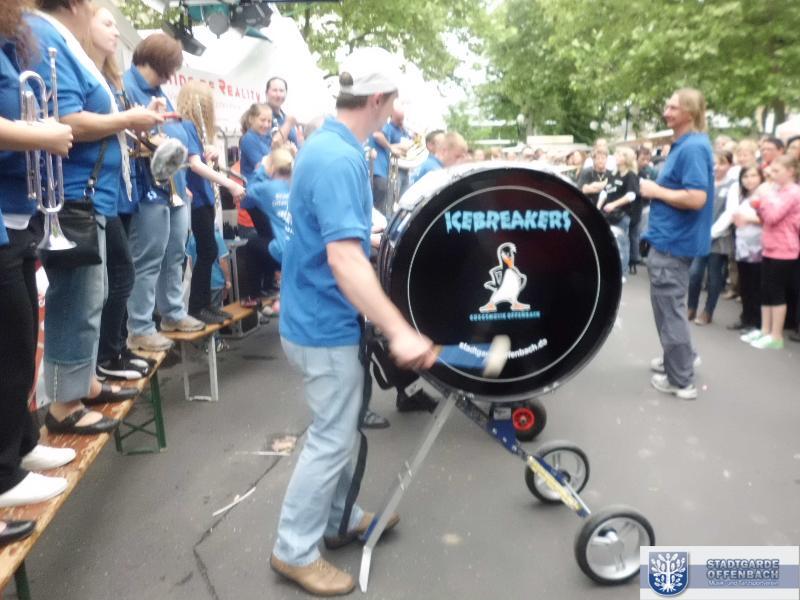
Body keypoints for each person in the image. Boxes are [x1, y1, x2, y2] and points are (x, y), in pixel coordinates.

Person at [270, 48, 437, 597]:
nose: (394, 111)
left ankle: (340, 517)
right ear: (377, 99)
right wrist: (400, 330)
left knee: (337, 431)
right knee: (331, 439)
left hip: (312, 316)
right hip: (321, 324)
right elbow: (343, 261)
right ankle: (293, 550)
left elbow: (335, 241)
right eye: (393, 101)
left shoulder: (328, 145)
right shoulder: (340, 158)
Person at [28, 0, 162, 434]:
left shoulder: (59, 38)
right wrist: (127, 118)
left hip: (89, 193)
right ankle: (64, 404)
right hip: (75, 193)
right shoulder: (49, 36)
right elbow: (68, 119)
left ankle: (81, 382)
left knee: (92, 294)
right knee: (78, 298)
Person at [0, 0, 76, 521]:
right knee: (11, 341)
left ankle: (21, 445)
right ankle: (3, 472)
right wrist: (40, 134)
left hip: (16, 212)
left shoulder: (9, 46)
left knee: (22, 339)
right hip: (6, 210)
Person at [84, 5, 150, 381]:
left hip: (111, 192)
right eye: (106, 23)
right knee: (111, 278)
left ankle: (113, 351)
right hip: (91, 193)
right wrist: (128, 119)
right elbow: (75, 124)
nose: (115, 31)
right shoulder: (88, 74)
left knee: (118, 275)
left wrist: (138, 123)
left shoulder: (111, 79)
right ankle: (105, 357)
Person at [640, 88, 714, 401]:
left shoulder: (692, 147)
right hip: (672, 240)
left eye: (672, 107)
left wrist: (655, 191)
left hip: (673, 244)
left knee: (669, 311)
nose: (666, 112)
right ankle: (681, 358)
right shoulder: (688, 144)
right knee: (671, 309)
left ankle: (681, 380)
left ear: (690, 112)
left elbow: (696, 198)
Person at [177, 80, 245, 324]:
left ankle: (204, 305)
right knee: (207, 251)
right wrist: (230, 184)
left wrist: (211, 155)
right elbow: (195, 165)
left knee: (209, 251)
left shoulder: (190, 130)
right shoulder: (186, 126)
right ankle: (198, 306)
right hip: (197, 200)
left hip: (202, 198)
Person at [742, 156, 800, 350]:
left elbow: (773, 217)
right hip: (770, 246)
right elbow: (765, 216)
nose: (772, 175)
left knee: (776, 292)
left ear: (790, 171)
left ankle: (776, 335)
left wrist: (762, 202)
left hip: (785, 248)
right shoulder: (777, 191)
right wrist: (760, 206)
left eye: (776, 171)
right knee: (766, 290)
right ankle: (765, 330)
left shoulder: (794, 193)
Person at [687, 150, 736, 325]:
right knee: (694, 274)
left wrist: (712, 233)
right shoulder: (706, 182)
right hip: (701, 235)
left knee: (714, 277)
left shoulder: (733, 185)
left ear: (729, 165)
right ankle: (691, 307)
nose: (716, 167)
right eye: (714, 163)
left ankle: (708, 312)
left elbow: (729, 213)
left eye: (721, 163)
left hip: (719, 238)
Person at [240, 148, 293, 308]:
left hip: (283, 251)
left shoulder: (267, 188)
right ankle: (270, 285)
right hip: (300, 249)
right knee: (266, 239)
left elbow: (246, 195)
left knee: (251, 246)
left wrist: (261, 170)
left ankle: (252, 296)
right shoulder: (296, 186)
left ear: (273, 167)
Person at [729, 166, 765, 332]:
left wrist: (748, 218)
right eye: (745, 176)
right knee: (745, 284)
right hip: (742, 245)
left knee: (755, 284)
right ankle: (746, 318)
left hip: (758, 247)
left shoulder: (765, 195)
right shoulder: (742, 196)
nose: (749, 180)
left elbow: (767, 218)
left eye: (753, 176)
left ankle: (756, 322)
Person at [598, 146, 638, 275]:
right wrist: (598, 207)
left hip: (622, 215)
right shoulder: (612, 174)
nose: (616, 157)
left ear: (626, 158)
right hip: (608, 215)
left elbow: (631, 195)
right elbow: (605, 192)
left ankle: (622, 273)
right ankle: (610, 270)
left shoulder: (630, 175)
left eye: (619, 154)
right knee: (608, 243)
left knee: (621, 243)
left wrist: (614, 204)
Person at [368, 104, 409, 216]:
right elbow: (377, 135)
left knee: (381, 208)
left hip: (381, 173)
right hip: (379, 174)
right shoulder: (382, 127)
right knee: (383, 210)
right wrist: (391, 147)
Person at [238, 102, 272, 182]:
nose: (266, 125)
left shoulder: (267, 138)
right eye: (262, 120)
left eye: (269, 121)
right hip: (256, 185)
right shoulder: (248, 139)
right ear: (251, 119)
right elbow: (263, 168)